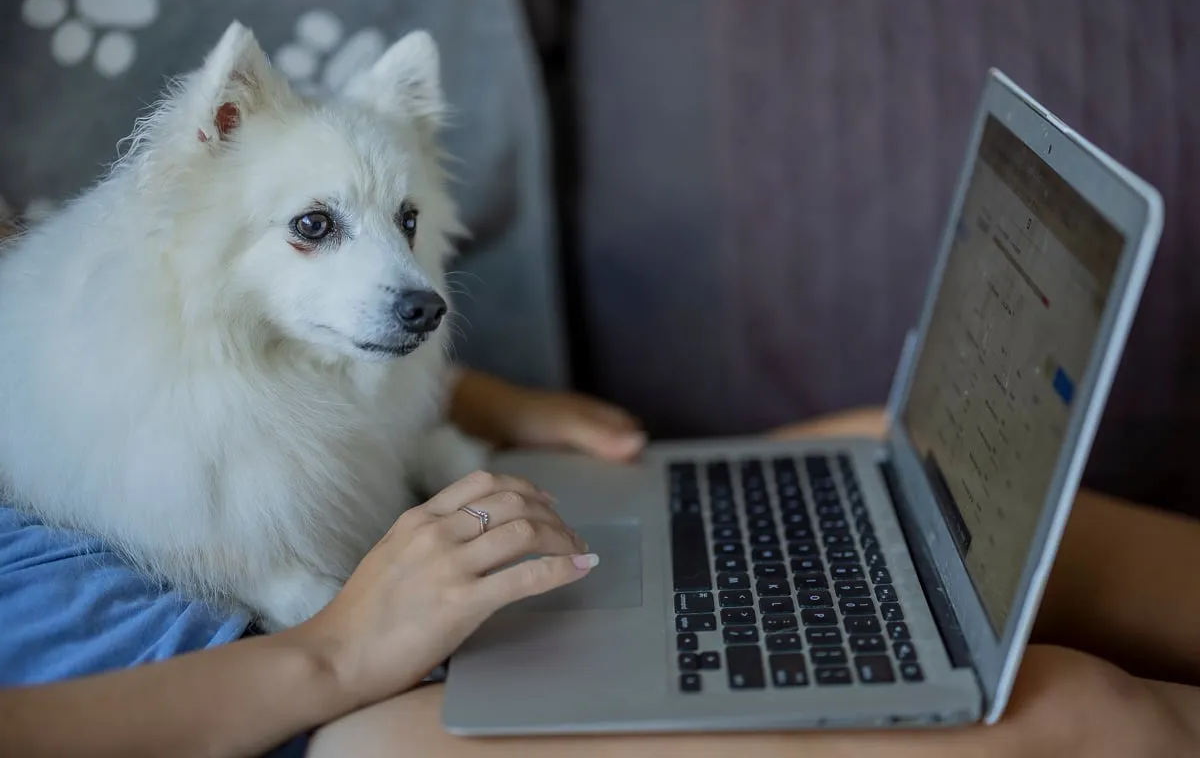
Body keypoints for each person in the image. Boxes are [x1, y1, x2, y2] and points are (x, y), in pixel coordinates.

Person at [3, 394, 1200, 757]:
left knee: (898, 468)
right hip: (286, 727)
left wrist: (489, 408)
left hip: (324, 621)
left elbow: (203, 316)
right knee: (1075, 713)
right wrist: (331, 656)